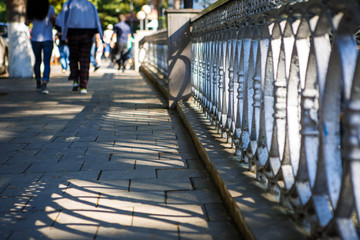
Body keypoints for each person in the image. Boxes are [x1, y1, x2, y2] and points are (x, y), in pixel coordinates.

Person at [60, 0, 103, 94]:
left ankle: (75, 81)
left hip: (73, 33)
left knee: (73, 58)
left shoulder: (69, 3)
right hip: (87, 34)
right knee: (85, 60)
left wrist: (64, 36)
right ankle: (83, 86)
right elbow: (97, 20)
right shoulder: (90, 5)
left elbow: (65, 20)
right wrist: (100, 34)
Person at [26, 0, 56, 94]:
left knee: (37, 61)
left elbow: (26, 22)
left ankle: (38, 81)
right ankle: (44, 83)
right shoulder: (50, 9)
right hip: (47, 38)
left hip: (35, 38)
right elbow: (54, 22)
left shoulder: (31, 9)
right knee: (47, 62)